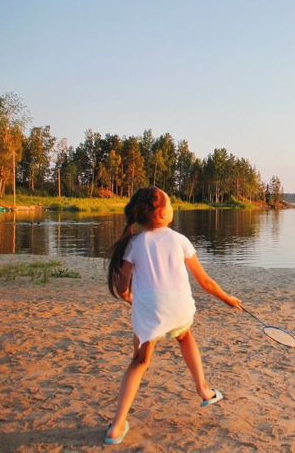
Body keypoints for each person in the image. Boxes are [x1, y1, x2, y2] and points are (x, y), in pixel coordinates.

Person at [104, 187, 243, 445]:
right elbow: (205, 282)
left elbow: (124, 287)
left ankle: (116, 426)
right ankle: (203, 390)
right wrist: (228, 299)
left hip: (150, 312)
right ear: (160, 213)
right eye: (169, 203)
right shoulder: (179, 240)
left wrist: (129, 298)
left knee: (140, 361)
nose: (173, 207)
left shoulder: (134, 245)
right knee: (185, 335)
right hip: (180, 309)